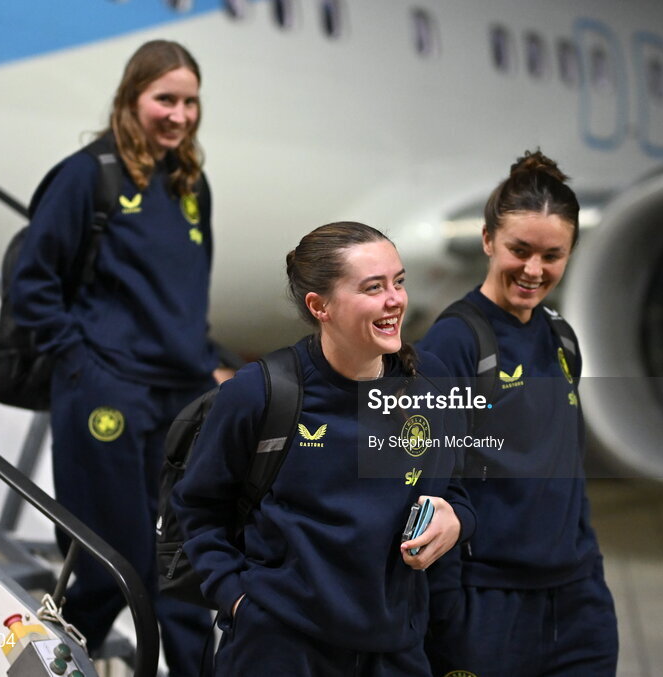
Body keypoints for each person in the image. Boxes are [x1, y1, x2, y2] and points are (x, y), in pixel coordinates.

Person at [173, 222, 477, 676]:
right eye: (373, 288)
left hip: (394, 650)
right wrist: (239, 601)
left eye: (398, 282)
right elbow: (198, 509)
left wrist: (457, 519)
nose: (395, 299)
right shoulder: (261, 394)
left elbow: (456, 489)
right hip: (279, 650)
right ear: (320, 306)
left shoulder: (430, 381)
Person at [10, 40, 222, 675]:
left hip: (178, 395)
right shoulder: (86, 175)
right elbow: (33, 284)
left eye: (190, 101)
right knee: (115, 564)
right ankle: (39, 664)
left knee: (181, 568)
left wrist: (207, 359)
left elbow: (186, 294)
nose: (180, 115)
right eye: (166, 99)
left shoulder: (191, 186)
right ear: (132, 99)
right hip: (107, 390)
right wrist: (82, 364)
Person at [419, 150, 619, 676]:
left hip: (577, 603)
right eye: (519, 250)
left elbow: (567, 473)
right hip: (486, 605)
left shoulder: (562, 339)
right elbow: (427, 491)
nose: (533, 270)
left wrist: (590, 580)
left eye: (552, 255)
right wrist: (446, 616)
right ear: (488, 241)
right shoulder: (455, 342)